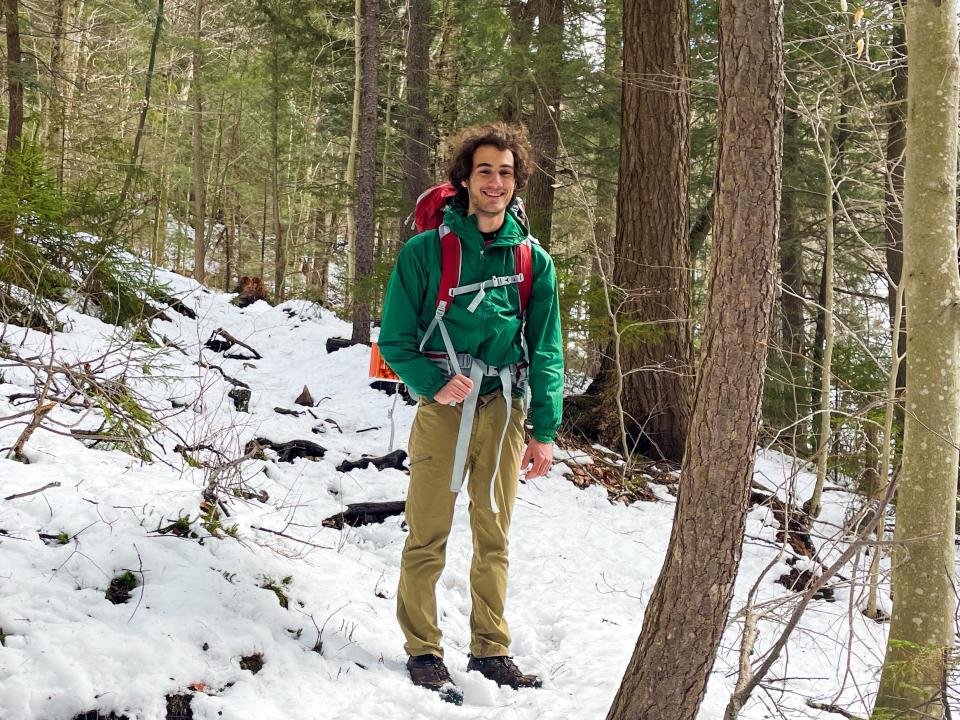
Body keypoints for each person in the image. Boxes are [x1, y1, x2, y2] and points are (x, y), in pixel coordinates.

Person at [378, 122, 563, 704]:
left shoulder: (534, 261)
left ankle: (490, 649)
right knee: (428, 531)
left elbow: (547, 347)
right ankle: (424, 651)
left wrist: (545, 429)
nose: (496, 181)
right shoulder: (424, 253)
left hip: (506, 411)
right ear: (463, 178)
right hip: (443, 411)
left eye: (506, 172)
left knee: (494, 535)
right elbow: (396, 338)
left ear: (517, 182)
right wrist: (435, 383)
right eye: (485, 170)